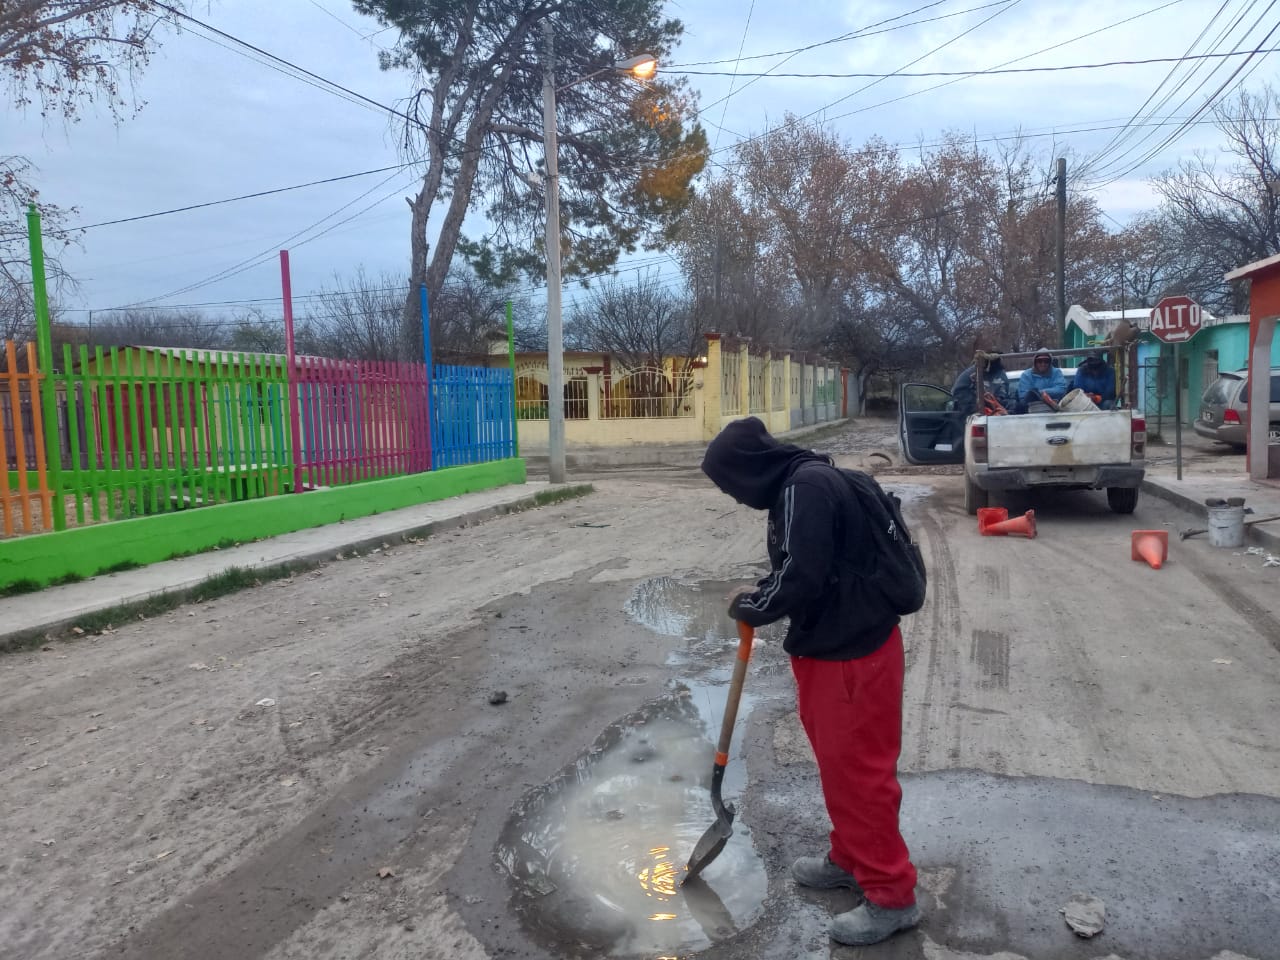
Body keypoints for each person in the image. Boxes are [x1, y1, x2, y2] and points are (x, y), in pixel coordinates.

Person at [700, 417, 920, 947]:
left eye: (730, 485)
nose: (734, 497)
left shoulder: (804, 490)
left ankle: (892, 896)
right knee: (844, 770)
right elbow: (818, 563)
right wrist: (761, 591)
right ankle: (851, 857)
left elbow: (802, 575)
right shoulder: (815, 479)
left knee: (859, 775)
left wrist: (754, 605)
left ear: (749, 470)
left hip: (850, 656)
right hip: (851, 646)